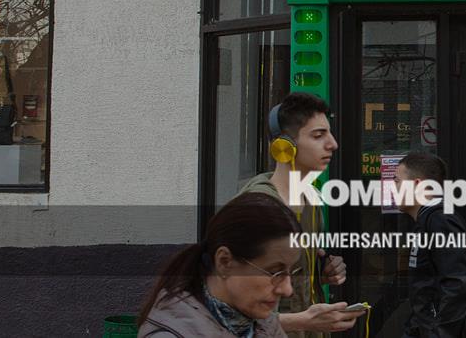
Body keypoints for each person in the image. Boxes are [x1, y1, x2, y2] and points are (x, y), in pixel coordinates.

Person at [238, 92, 364, 338]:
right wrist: (304, 321)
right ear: (284, 147)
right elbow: (230, 313)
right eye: (318, 135)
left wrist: (320, 273)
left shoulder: (311, 200)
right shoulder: (259, 209)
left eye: (329, 133)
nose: (333, 144)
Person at [137, 192, 301, 337]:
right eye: (274, 272)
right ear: (224, 261)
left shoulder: (262, 325)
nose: (287, 290)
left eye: (290, 272)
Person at [394, 152, 466, 338]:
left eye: (397, 181)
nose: (393, 188)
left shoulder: (440, 221)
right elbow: (426, 291)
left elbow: (458, 286)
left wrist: (439, 334)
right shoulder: (427, 221)